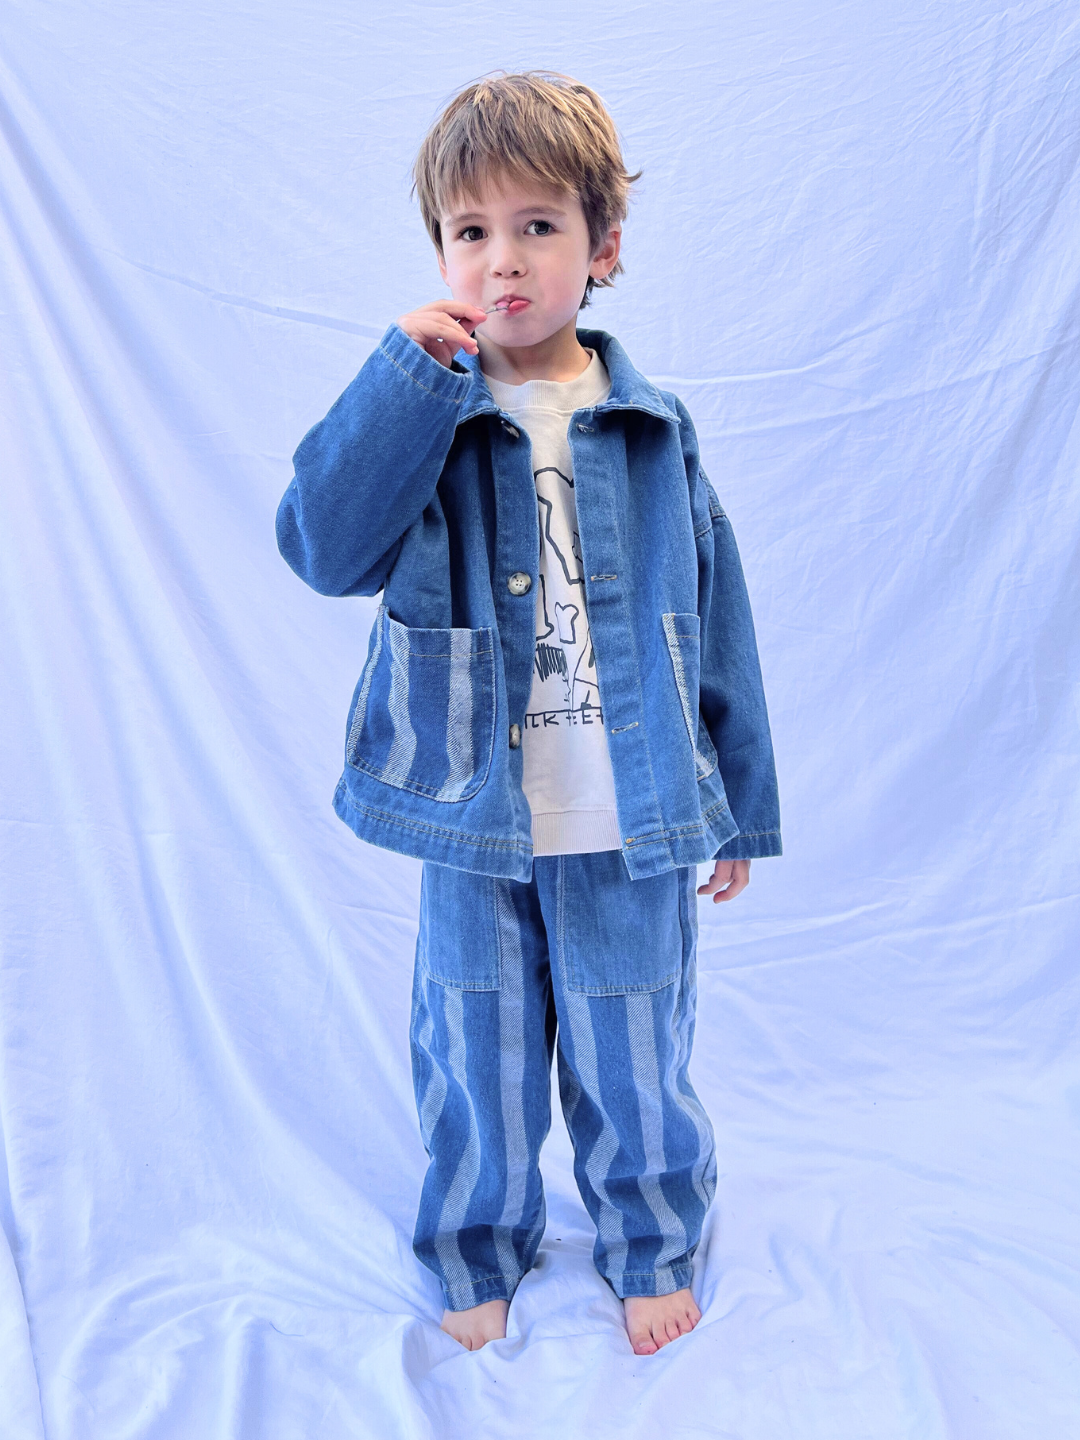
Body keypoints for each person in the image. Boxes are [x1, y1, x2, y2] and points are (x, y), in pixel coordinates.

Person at [275, 69, 781, 1357]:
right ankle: (474, 1251)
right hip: (471, 806)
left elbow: (714, 620)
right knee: (475, 1061)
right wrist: (403, 373)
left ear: (602, 247)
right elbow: (322, 547)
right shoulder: (429, 419)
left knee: (636, 1053)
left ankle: (652, 1243)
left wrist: (736, 804)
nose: (505, 262)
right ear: (443, 251)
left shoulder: (654, 429)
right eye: (471, 232)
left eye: (539, 227)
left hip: (634, 807)